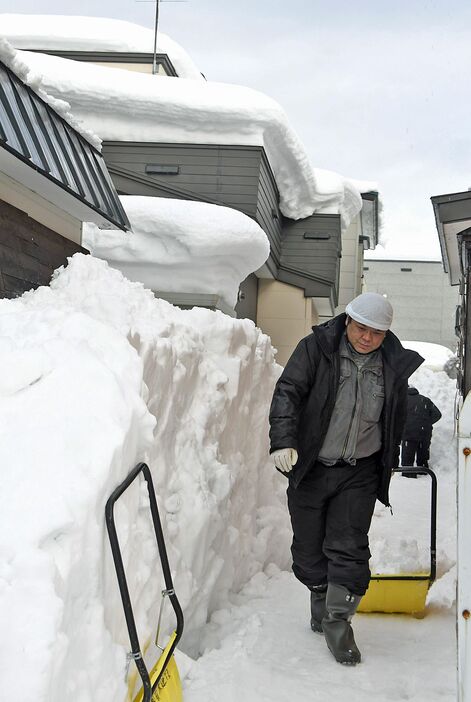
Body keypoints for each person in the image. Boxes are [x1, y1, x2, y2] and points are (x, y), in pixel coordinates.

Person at [269, 292, 423, 666]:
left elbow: (395, 415)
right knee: (308, 551)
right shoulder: (316, 349)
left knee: (349, 548)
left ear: (386, 335)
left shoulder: (392, 365)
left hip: (359, 472)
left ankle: (338, 622)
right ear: (348, 321)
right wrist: (284, 441)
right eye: (362, 328)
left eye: (377, 333)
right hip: (311, 468)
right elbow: (288, 392)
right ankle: (319, 596)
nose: (367, 338)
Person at [401, 386, 441, 478]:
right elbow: (438, 415)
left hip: (409, 433)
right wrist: (426, 423)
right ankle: (423, 471)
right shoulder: (425, 400)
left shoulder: (403, 401)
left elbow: (397, 416)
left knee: (408, 455)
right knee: (423, 453)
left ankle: (408, 473)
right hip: (424, 433)